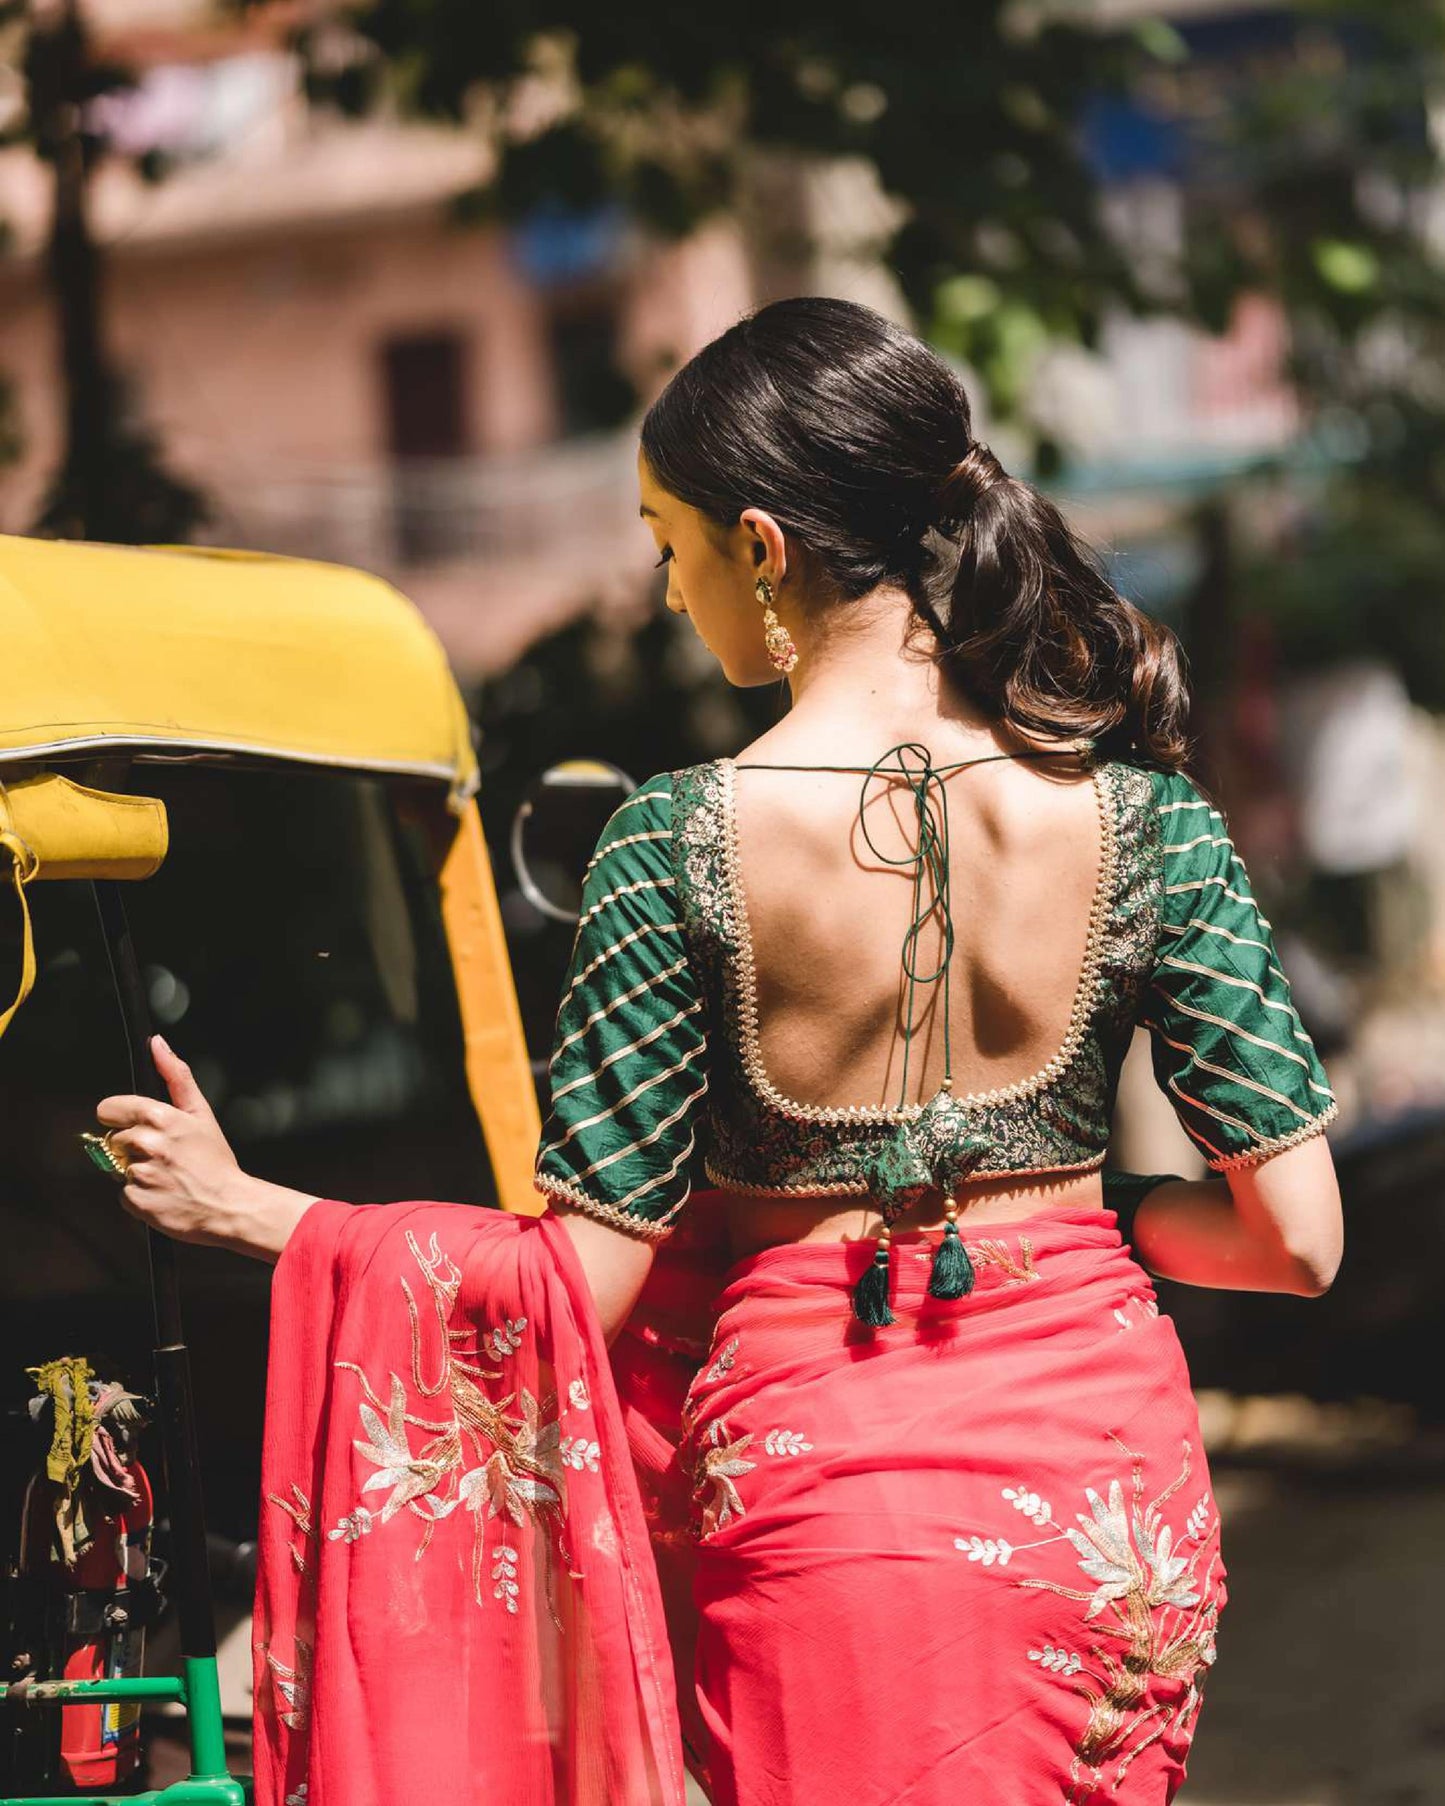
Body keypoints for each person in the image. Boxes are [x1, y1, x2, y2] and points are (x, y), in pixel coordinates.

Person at [95, 295, 1342, 1806]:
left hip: (833, 1526)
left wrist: (261, 1213)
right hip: (1106, 1508)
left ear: (759, 548)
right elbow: (1296, 1241)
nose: (667, 584)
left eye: (665, 538)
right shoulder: (1152, 821)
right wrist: (1095, 1222)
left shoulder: (675, 845)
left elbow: (572, 1291)